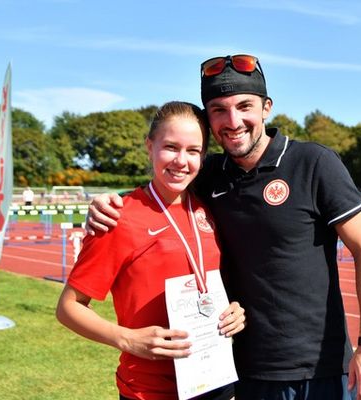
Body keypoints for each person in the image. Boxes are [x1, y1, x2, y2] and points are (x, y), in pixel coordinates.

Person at [86, 54, 361, 400]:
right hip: (238, 372)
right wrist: (108, 201)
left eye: (244, 105)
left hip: (318, 370)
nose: (233, 121)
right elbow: (159, 188)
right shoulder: (209, 173)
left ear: (266, 108)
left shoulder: (314, 163)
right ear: (209, 120)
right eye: (218, 110)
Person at [56, 101, 246, 400]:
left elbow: (214, 283)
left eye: (193, 151)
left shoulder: (207, 210)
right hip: (149, 390)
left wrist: (235, 310)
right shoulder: (118, 217)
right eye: (171, 147)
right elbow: (68, 307)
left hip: (216, 382)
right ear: (150, 146)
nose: (181, 161)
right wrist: (127, 339)